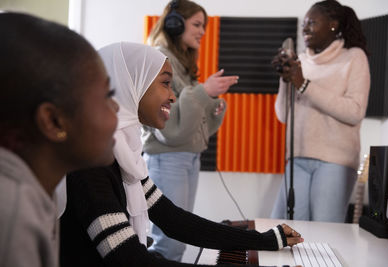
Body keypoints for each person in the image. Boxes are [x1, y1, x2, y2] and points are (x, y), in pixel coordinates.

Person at [59, 42, 303, 267]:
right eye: (165, 83)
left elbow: (174, 220)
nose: (173, 96)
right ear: (132, 84)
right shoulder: (89, 163)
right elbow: (131, 260)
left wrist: (266, 240)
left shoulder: (124, 157)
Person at [0, 12, 118, 267]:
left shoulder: (36, 193)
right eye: (108, 95)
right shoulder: (13, 213)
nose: (116, 108)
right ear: (53, 122)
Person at [144, 0, 239, 260]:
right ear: (174, 24)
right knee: (170, 244)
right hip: (168, 159)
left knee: (179, 240)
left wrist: (210, 102)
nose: (202, 31)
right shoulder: (157, 59)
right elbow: (169, 128)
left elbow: (191, 125)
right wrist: (202, 92)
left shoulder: (181, 64)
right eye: (197, 24)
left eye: (204, 26)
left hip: (187, 157)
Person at [270, 0, 370, 223]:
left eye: (312, 23)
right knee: (287, 229)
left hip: (335, 161)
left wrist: (305, 85)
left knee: (325, 233)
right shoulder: (301, 62)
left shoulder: (354, 57)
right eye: (304, 24)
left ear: (333, 25)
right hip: (298, 158)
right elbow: (283, 115)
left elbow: (354, 111)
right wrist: (286, 79)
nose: (304, 29)